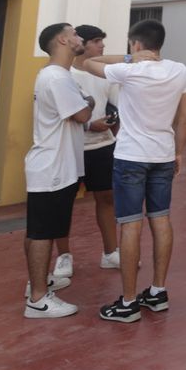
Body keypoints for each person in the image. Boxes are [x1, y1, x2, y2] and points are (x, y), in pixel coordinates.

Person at [76, 18, 186, 323]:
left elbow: (88, 62)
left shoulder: (128, 70)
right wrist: (178, 152)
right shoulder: (179, 70)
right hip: (163, 155)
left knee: (130, 224)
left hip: (130, 157)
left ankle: (128, 302)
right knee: (161, 218)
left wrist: (129, 58)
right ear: (160, 43)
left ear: (136, 44)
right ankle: (157, 292)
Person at [23, 23, 94, 319]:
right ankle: (38, 299)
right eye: (75, 34)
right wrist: (89, 102)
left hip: (56, 165)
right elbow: (81, 114)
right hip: (52, 167)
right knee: (41, 232)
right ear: (64, 40)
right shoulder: (57, 77)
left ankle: (38, 283)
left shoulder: (55, 75)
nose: (80, 39)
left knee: (42, 228)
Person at [71, 25, 122, 270]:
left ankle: (111, 252)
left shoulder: (106, 75)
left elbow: (120, 105)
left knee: (107, 198)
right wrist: (90, 125)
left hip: (103, 147)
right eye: (97, 41)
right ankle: (63, 259)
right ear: (82, 44)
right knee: (64, 204)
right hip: (71, 149)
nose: (102, 46)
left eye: (102, 41)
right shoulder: (63, 75)